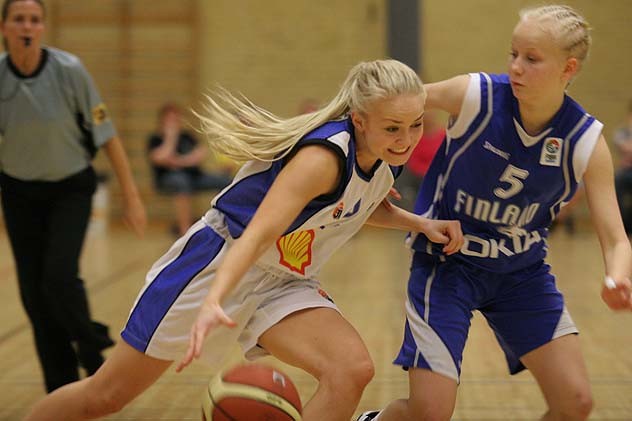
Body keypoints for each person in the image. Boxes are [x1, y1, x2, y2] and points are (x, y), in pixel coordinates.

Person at [25, 59, 463, 421]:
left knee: (350, 370)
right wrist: (215, 297)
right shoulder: (322, 159)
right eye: (393, 128)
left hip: (282, 279)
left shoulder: (385, 154)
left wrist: (420, 223)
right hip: (216, 263)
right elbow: (257, 234)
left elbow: (355, 204)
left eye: (415, 125)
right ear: (359, 120)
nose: (407, 140)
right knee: (104, 396)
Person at [358, 5, 632, 421]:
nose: (516, 66)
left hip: (521, 275)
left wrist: (617, 277)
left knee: (575, 404)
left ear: (568, 68)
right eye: (513, 53)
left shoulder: (584, 141)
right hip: (447, 266)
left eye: (532, 58)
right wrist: (370, 163)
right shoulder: (476, 96)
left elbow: (615, 238)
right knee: (429, 412)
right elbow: (391, 103)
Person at [0, 0, 146, 393]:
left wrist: (132, 196)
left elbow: (107, 135)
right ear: (4, 28)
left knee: (59, 277)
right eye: (18, 19)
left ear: (43, 27)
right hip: (18, 192)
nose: (27, 26)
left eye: (34, 19)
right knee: (34, 297)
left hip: (70, 188)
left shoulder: (69, 71)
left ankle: (91, 340)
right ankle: (61, 387)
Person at [148, 102, 232, 236]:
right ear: (162, 121)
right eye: (170, 119)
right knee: (181, 182)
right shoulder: (155, 139)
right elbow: (159, 158)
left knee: (225, 181)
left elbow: (200, 154)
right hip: (170, 179)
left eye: (176, 118)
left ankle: (227, 224)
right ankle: (185, 232)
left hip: (195, 176)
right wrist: (171, 138)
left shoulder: (188, 136)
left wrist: (177, 161)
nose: (174, 122)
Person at [393, 109, 445, 210]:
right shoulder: (413, 136)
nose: (428, 117)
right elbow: (411, 160)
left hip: (435, 177)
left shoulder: (444, 136)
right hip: (414, 176)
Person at [613, 100, 632, 234]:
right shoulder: (622, 132)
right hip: (625, 172)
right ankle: (621, 226)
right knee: (617, 182)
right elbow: (624, 147)